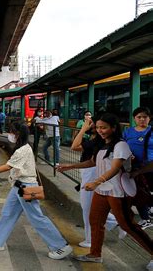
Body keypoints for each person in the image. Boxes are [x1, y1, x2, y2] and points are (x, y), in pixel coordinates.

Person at [58, 113, 153, 267]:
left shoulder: (120, 145)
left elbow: (115, 168)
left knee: (128, 225)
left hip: (118, 192)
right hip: (102, 191)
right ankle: (95, 254)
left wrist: (96, 181)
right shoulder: (101, 144)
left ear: (113, 128)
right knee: (95, 222)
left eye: (104, 128)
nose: (100, 130)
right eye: (98, 127)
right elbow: (92, 162)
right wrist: (70, 166)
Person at [0, 121, 73, 260]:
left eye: (11, 131)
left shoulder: (23, 149)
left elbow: (8, 166)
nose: (9, 134)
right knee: (8, 213)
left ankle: (60, 246)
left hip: (26, 188)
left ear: (17, 134)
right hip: (18, 187)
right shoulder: (23, 148)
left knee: (36, 218)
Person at [68, 115, 124, 248]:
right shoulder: (97, 140)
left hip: (93, 174)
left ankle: (91, 239)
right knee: (89, 207)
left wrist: (83, 129)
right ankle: (116, 221)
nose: (98, 129)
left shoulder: (101, 141)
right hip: (90, 173)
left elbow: (75, 146)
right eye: (97, 126)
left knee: (87, 208)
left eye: (101, 127)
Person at [123, 107, 153, 229]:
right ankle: (145, 217)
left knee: (148, 191)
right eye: (139, 117)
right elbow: (122, 146)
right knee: (137, 191)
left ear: (149, 118)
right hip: (133, 167)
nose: (142, 119)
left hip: (149, 167)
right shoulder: (127, 132)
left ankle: (147, 214)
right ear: (134, 118)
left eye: (145, 117)